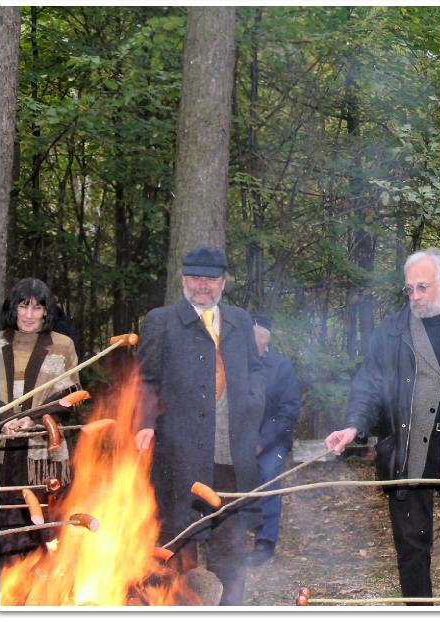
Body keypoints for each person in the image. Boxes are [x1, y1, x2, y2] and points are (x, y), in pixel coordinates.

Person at [325, 247, 440, 606]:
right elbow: (369, 386)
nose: (415, 297)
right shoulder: (391, 333)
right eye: (409, 289)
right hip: (408, 450)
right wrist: (352, 427)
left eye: (422, 288)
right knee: (412, 548)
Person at [134, 246, 266, 606]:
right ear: (182, 279)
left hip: (229, 456)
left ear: (223, 281)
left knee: (230, 546)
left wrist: (252, 414)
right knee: (176, 545)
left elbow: (256, 372)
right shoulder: (162, 321)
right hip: (179, 458)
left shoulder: (239, 320)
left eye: (210, 278)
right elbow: (145, 379)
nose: (202, 286)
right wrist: (144, 423)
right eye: (194, 278)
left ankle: (230, 610)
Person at [0, 278, 81, 560]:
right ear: (14, 308)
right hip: (1, 448)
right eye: (24, 307)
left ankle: (38, 584)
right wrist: (4, 419)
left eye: (37, 308)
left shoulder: (62, 345)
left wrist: (32, 420)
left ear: (47, 312)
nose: (30, 315)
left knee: (41, 520)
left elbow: (71, 395)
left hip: (42, 449)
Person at [245, 314, 301, 567]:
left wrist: (262, 440)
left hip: (273, 440)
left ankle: (265, 542)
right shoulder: (235, 364)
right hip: (239, 438)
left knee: (268, 476)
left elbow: (288, 410)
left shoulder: (281, 367)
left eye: (255, 336)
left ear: (265, 337)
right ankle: (227, 536)